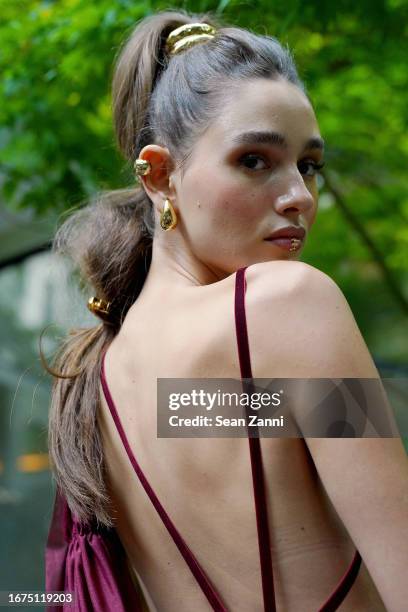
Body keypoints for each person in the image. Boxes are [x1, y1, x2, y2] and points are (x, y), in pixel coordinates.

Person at [44, 8, 408, 612]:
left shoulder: (98, 377)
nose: (299, 196)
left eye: (308, 165)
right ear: (159, 176)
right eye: (255, 161)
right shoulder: (290, 305)